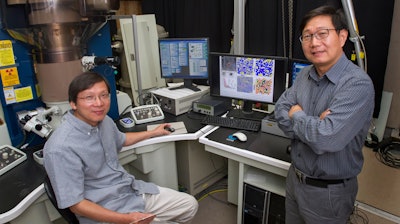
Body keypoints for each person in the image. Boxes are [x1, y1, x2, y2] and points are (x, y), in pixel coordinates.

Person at [44, 71, 198, 224]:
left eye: (104, 95)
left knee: (189, 205)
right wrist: (128, 219)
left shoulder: (104, 121)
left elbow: (122, 139)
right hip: (105, 211)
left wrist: (153, 132)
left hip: (130, 192)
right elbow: (76, 205)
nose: (99, 103)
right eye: (89, 97)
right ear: (73, 103)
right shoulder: (60, 148)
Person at [274, 5, 375, 224]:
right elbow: (280, 110)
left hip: (328, 193)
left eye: (322, 34)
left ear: (342, 36)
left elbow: (325, 139)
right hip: (295, 180)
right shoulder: (305, 75)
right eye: (307, 36)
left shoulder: (357, 85)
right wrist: (315, 126)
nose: (314, 42)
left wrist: (298, 116)